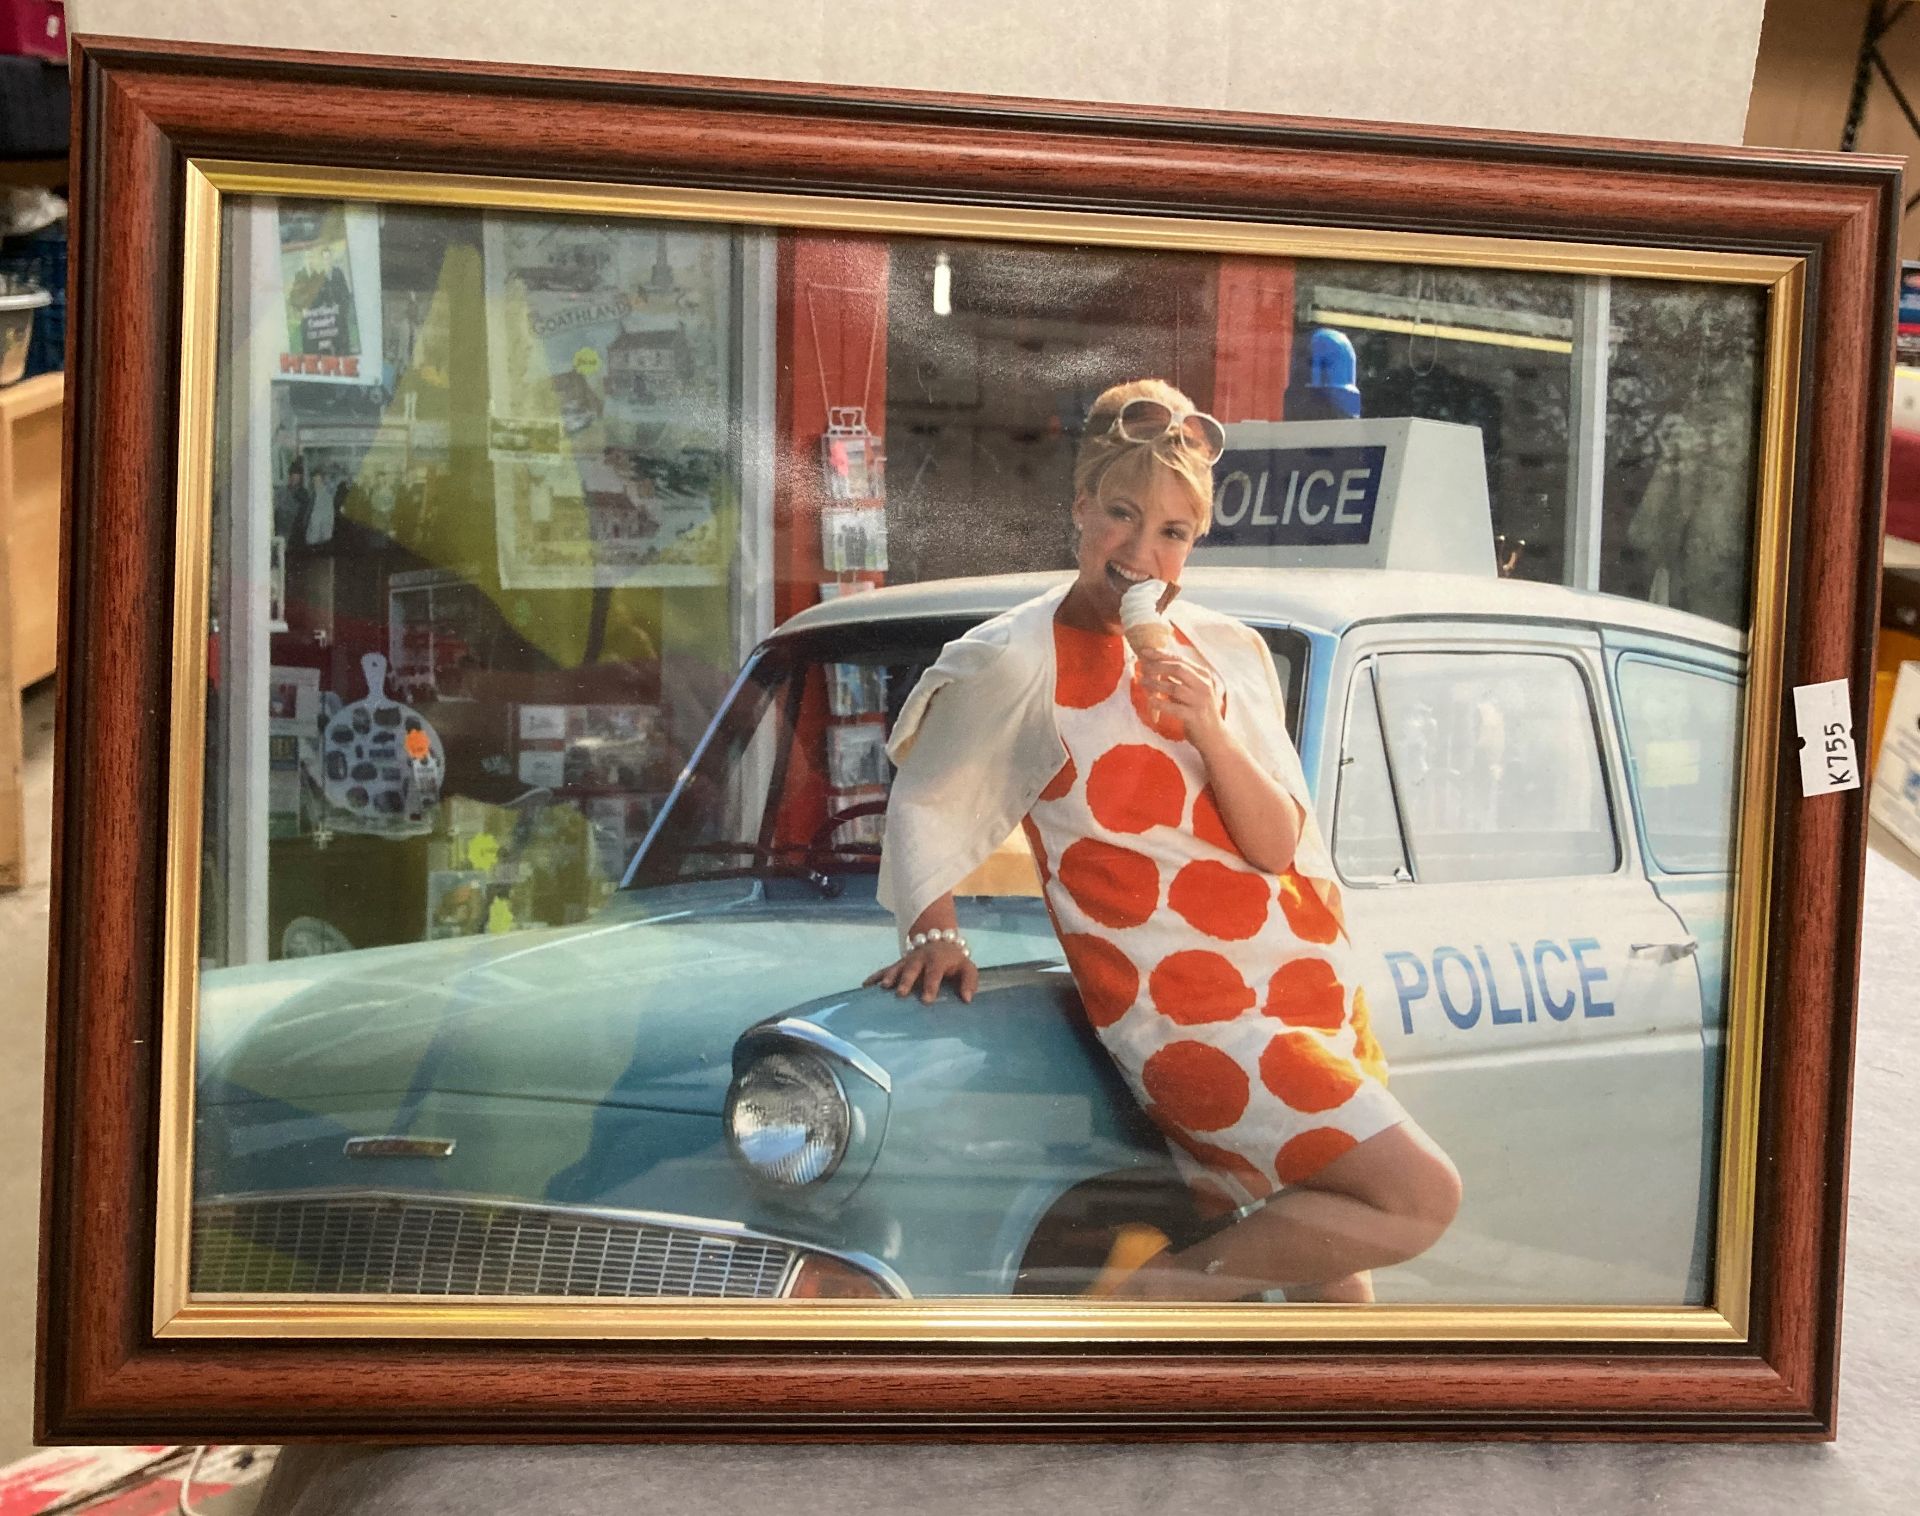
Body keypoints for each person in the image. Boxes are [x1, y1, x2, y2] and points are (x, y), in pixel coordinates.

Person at [866, 378, 1461, 1303]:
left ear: (1195, 543)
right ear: (1078, 510)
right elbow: (931, 792)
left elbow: (1274, 847)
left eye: (1172, 533)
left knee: (1336, 1295)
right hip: (1195, 1010)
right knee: (1419, 1197)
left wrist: (1210, 729)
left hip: (1305, 986)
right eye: (1120, 515)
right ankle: (1160, 1293)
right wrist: (934, 927)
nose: (1141, 552)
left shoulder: (1226, 649)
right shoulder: (1018, 656)